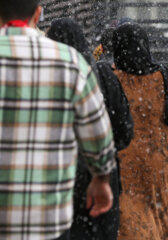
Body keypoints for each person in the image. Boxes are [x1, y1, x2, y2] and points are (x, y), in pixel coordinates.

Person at [0, 1, 116, 239]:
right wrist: (101, 177)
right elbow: (98, 135)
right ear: (38, 13)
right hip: (47, 218)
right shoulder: (71, 62)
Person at [47, 18, 134, 240]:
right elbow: (125, 130)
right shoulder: (103, 75)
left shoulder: (47, 80)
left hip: (59, 179)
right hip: (101, 178)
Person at [112, 23, 168, 240]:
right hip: (160, 163)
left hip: (125, 165)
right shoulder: (162, 76)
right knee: (166, 214)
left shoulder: (111, 79)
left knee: (132, 218)